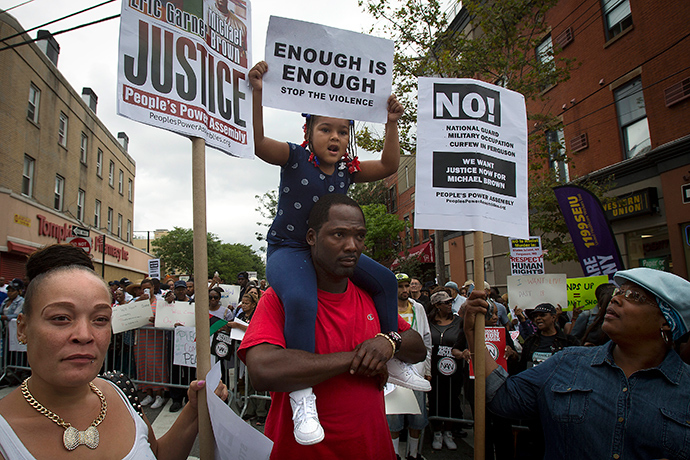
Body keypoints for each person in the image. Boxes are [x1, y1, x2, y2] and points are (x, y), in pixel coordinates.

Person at [249, 60, 426, 444]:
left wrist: (392, 121)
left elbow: (392, 163)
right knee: (299, 297)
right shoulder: (294, 157)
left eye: (342, 131)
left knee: (382, 280)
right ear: (308, 132)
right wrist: (258, 93)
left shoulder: (348, 169)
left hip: (328, 247)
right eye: (325, 128)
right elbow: (260, 145)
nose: (335, 137)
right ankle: (301, 396)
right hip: (290, 249)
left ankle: (392, 357)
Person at [239, 194, 426, 459]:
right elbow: (262, 370)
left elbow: (418, 348)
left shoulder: (371, 296)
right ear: (312, 237)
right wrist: (360, 358)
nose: (352, 246)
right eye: (338, 235)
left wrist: (389, 342)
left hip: (373, 449)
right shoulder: (280, 298)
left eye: (359, 236)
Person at [0, 246, 227, 459]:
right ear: (22, 328)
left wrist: (194, 411)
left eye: (100, 319)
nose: (84, 334)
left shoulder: (121, 390)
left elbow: (157, 454)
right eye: (61, 318)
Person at [463, 267, 690, 460]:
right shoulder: (567, 362)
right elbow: (503, 396)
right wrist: (473, 332)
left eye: (635, 296)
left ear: (667, 322)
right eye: (619, 292)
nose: (616, 299)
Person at [387, 273, 432, 460]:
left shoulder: (418, 308)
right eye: (400, 287)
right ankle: (395, 454)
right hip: (394, 373)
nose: (405, 290)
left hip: (417, 370)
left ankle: (414, 454)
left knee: (417, 417)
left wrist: (427, 368)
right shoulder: (387, 307)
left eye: (407, 286)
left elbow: (427, 339)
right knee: (394, 418)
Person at [427, 289, 467, 451]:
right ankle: (437, 432)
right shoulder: (429, 323)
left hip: (454, 369)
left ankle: (448, 432)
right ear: (437, 306)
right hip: (434, 369)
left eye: (451, 302)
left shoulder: (459, 322)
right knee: (435, 399)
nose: (450, 304)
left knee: (452, 399)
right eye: (446, 302)